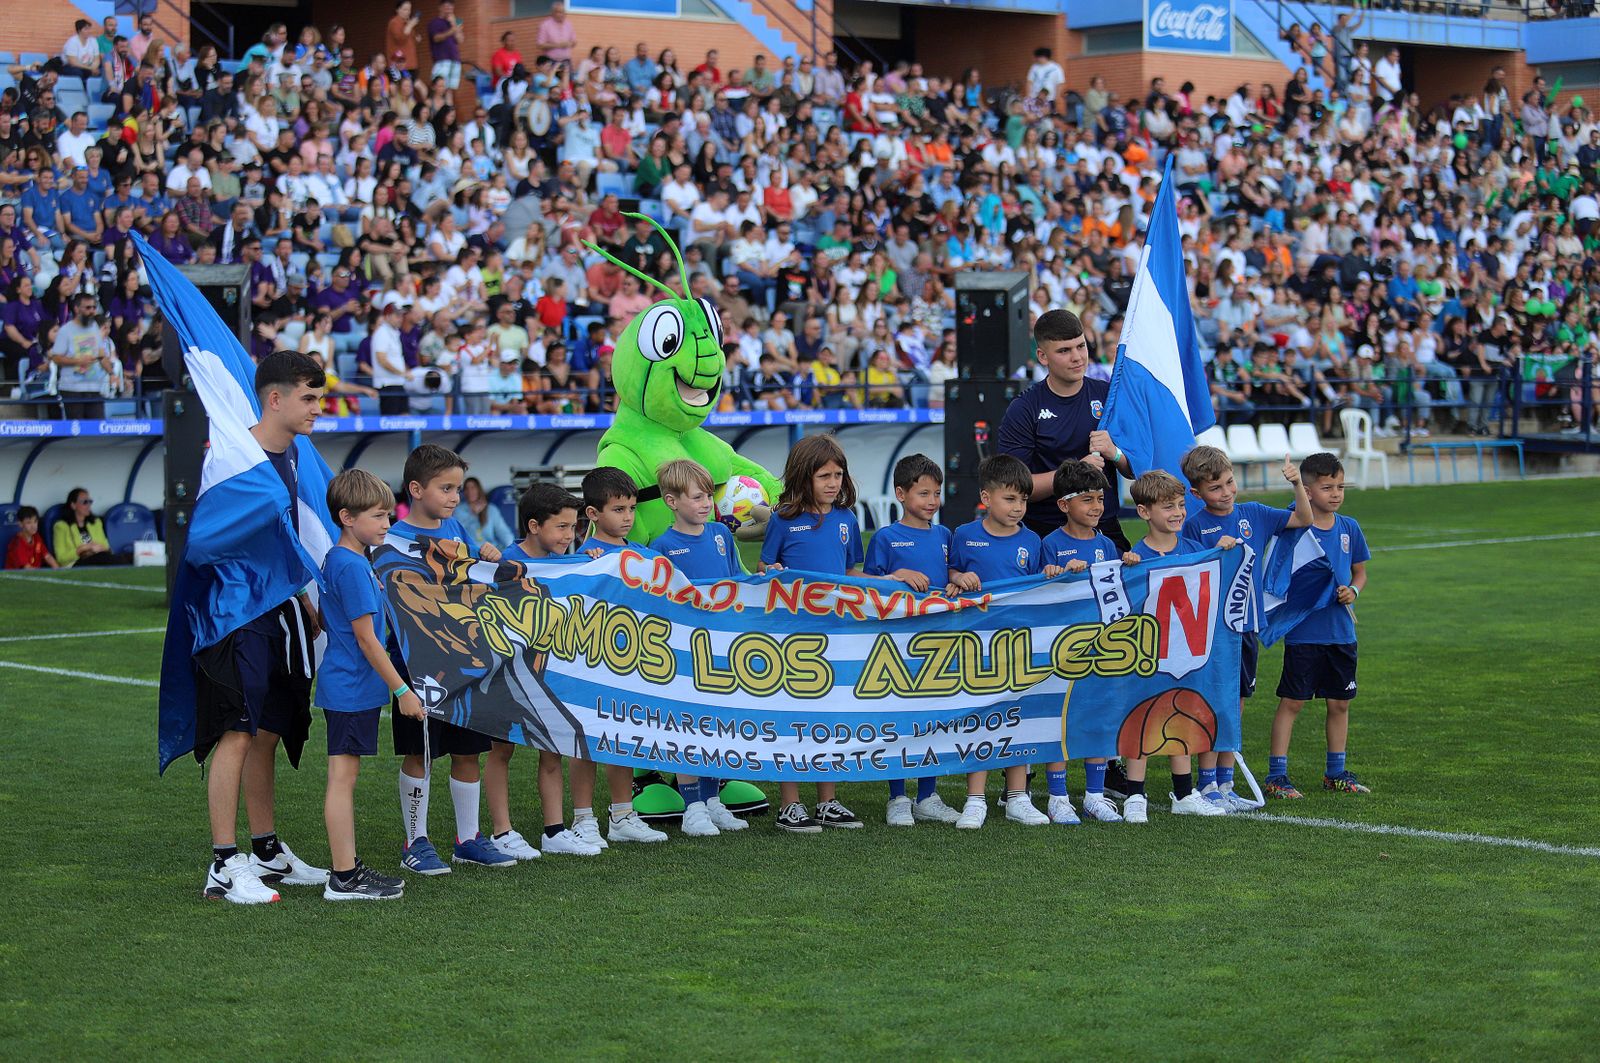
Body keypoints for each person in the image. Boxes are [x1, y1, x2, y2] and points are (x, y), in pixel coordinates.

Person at [198, 351, 330, 904]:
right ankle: (224, 865)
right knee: (238, 730)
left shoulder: (293, 453)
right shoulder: (231, 456)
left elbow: (286, 533)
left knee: (270, 729)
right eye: (308, 398)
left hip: (283, 608)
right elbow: (208, 541)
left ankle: (266, 848)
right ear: (274, 399)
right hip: (238, 611)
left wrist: (303, 594)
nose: (318, 409)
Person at [503, 482, 667, 851]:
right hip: (556, 667)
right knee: (574, 740)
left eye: (631, 509)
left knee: (617, 733)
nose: (627, 517)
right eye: (618, 509)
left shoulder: (617, 555)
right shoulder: (555, 557)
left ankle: (621, 815)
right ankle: (577, 820)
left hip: (612, 663)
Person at [386, 444, 516, 873]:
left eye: (458, 488)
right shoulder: (390, 540)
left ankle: (468, 838)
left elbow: (469, 575)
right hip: (413, 662)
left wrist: (487, 557)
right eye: (445, 488)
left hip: (464, 661)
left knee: (468, 752)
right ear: (416, 488)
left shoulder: (456, 530)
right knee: (420, 753)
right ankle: (415, 841)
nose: (454, 497)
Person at [1180, 445, 1311, 812]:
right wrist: (1213, 554)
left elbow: (1303, 518)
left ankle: (1225, 782)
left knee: (1234, 706)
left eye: (1228, 482)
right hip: (1211, 630)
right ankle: (1206, 784)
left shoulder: (1253, 512)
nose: (1225, 492)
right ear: (1197, 493)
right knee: (1211, 705)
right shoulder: (1195, 525)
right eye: (1215, 488)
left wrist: (1297, 483)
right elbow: (1188, 575)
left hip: (1246, 627)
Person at [317, 468, 418, 901]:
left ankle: (347, 869)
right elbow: (367, 639)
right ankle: (343, 876)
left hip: (346, 686)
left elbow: (328, 621)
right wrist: (402, 691)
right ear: (347, 517)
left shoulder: (344, 561)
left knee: (344, 775)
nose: (387, 524)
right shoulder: (354, 566)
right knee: (342, 777)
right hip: (351, 688)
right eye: (378, 516)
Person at [758, 434, 865, 833]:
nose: (833, 482)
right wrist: (771, 576)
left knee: (830, 715)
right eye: (825, 475)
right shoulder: (783, 520)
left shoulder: (847, 520)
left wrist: (892, 580)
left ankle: (828, 801)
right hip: (793, 637)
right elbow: (765, 570)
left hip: (836, 634)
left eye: (838, 474)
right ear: (805, 477)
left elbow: (852, 573)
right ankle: (790, 804)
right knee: (793, 715)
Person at [1119, 470, 1239, 822]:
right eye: (1167, 506)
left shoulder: (1195, 551)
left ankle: (1184, 792)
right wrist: (1129, 569)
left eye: (1181, 505)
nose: (1177, 512)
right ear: (1144, 512)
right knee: (1141, 717)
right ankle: (1135, 795)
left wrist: (1223, 553)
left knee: (1182, 719)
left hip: (1185, 651)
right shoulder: (1135, 557)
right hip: (1149, 651)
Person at [646, 460, 752, 837]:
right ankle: (691, 806)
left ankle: (711, 801)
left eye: (709, 494)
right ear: (671, 501)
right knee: (689, 728)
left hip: (722, 647)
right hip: (685, 652)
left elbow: (735, 583)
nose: (707, 502)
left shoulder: (722, 536)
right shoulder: (661, 547)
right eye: (697, 496)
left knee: (718, 726)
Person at [861, 453, 962, 828]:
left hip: (937, 640)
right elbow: (869, 586)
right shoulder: (885, 538)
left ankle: (928, 795)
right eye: (923, 493)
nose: (932, 501)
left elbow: (954, 572)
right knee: (899, 716)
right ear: (901, 494)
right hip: (897, 642)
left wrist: (955, 579)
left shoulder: (944, 535)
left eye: (936, 493)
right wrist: (898, 574)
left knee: (932, 717)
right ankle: (897, 797)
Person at [945, 454, 1045, 829]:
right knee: (979, 718)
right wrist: (958, 576)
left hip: (1019, 644)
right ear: (986, 498)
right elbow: (950, 575)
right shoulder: (965, 535)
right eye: (1010, 499)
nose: (1018, 508)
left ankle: (1018, 797)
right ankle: (975, 800)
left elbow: (1042, 589)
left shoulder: (1033, 541)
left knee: (1017, 717)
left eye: (1023, 500)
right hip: (977, 644)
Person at [1265, 452, 1371, 799]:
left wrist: (1353, 591)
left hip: (1341, 632)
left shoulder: (1349, 527)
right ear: (1308, 492)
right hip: (1304, 632)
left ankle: (1335, 771)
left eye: (1340, 486)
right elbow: (1280, 573)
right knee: (1293, 702)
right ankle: (1277, 774)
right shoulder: (1298, 528)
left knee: (1340, 703)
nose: (1336, 494)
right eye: (1327, 487)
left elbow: (1360, 572)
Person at [1037, 459, 1124, 824]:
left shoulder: (1108, 545)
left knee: (1098, 719)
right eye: (1087, 500)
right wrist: (1054, 576)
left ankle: (1093, 795)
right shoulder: (1050, 544)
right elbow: (1037, 593)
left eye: (1100, 499)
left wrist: (1129, 564)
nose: (1096, 507)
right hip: (1061, 649)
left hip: (1100, 649)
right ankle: (1058, 797)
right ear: (1063, 505)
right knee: (1059, 720)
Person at [998, 310, 1130, 547]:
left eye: (1081, 346)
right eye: (1064, 351)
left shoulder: (1108, 395)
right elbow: (1016, 487)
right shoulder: (1024, 408)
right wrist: (1075, 472)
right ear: (1042, 356)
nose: (1077, 357)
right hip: (1045, 533)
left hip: (1103, 529)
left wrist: (1115, 453)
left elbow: (1134, 468)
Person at [52, 487, 130, 567]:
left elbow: (105, 546)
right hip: (75, 563)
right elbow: (61, 558)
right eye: (85, 502)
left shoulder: (96, 523)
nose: (89, 505)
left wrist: (97, 549)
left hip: (99, 558)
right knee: (104, 558)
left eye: (90, 502)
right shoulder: (61, 526)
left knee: (127, 556)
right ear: (73, 505)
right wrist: (83, 549)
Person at [458, 476, 512, 549]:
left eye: (473, 488)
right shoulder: (459, 510)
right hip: (470, 551)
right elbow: (457, 532)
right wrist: (473, 515)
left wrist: (510, 547)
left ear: (479, 490)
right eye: (466, 488)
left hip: (491, 550)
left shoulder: (491, 509)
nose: (470, 491)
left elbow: (503, 532)